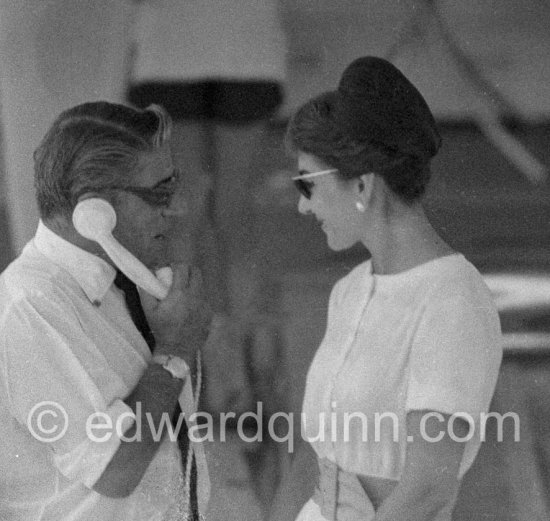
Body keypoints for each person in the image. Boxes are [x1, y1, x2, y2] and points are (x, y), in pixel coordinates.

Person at [269, 57, 503, 521]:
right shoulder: (350, 291)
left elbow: (427, 491)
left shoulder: (452, 301)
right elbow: (315, 457)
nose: (300, 206)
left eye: (306, 184)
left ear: (362, 183)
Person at [0, 101, 211, 521]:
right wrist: (175, 349)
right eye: (160, 192)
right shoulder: (31, 309)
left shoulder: (123, 276)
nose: (177, 207)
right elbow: (115, 468)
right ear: (93, 211)